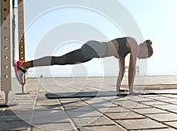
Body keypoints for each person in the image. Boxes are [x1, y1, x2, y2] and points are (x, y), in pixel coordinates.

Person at [15, 37, 153, 93]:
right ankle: (23, 66)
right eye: (145, 55)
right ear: (144, 48)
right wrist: (131, 91)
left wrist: (118, 89)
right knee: (61, 60)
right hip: (94, 49)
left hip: (91, 52)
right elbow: (132, 68)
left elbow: (122, 70)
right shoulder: (134, 43)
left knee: (61, 60)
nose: (142, 58)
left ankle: (24, 65)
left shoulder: (126, 51)